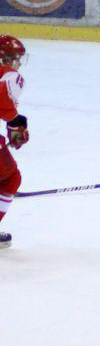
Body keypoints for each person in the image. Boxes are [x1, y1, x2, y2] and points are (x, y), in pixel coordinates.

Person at [0, 35, 29, 249]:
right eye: (13, 58)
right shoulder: (10, 76)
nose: (16, 64)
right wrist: (16, 122)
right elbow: (4, 104)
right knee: (11, 178)